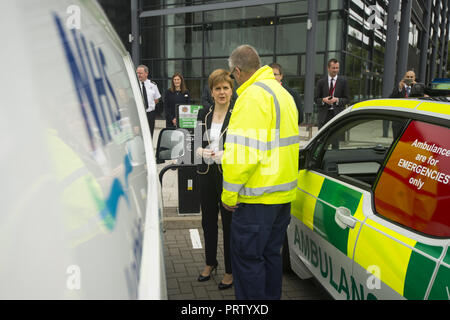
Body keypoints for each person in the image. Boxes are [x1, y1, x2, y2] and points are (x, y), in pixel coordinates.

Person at [221, 45, 299, 300]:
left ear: (237, 71)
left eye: (232, 77)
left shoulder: (252, 97)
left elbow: (243, 156)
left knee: (248, 263)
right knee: (270, 259)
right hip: (281, 199)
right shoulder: (282, 93)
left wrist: (229, 196)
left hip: (256, 202)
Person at [195, 69, 235, 290]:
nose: (222, 92)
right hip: (206, 174)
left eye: (225, 88)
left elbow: (242, 147)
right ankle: (210, 262)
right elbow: (196, 141)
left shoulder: (237, 114)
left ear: (231, 90)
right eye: (217, 88)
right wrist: (201, 150)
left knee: (229, 225)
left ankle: (230, 270)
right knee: (208, 221)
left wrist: (225, 155)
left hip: (228, 175)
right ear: (211, 91)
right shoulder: (204, 114)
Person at [315, 58, 350, 128]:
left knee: (337, 138)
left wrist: (337, 100)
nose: (335, 70)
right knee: (323, 138)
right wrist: (323, 100)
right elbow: (316, 99)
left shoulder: (343, 81)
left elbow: (347, 99)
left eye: (337, 68)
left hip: (338, 116)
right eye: (333, 68)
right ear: (328, 68)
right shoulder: (321, 82)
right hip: (324, 117)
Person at [136, 65, 161, 137]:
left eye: (140, 73)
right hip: (139, 114)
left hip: (150, 114)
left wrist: (150, 106)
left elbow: (156, 99)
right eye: (137, 73)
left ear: (146, 73)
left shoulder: (152, 85)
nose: (138, 75)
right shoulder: (135, 84)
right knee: (140, 134)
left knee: (150, 134)